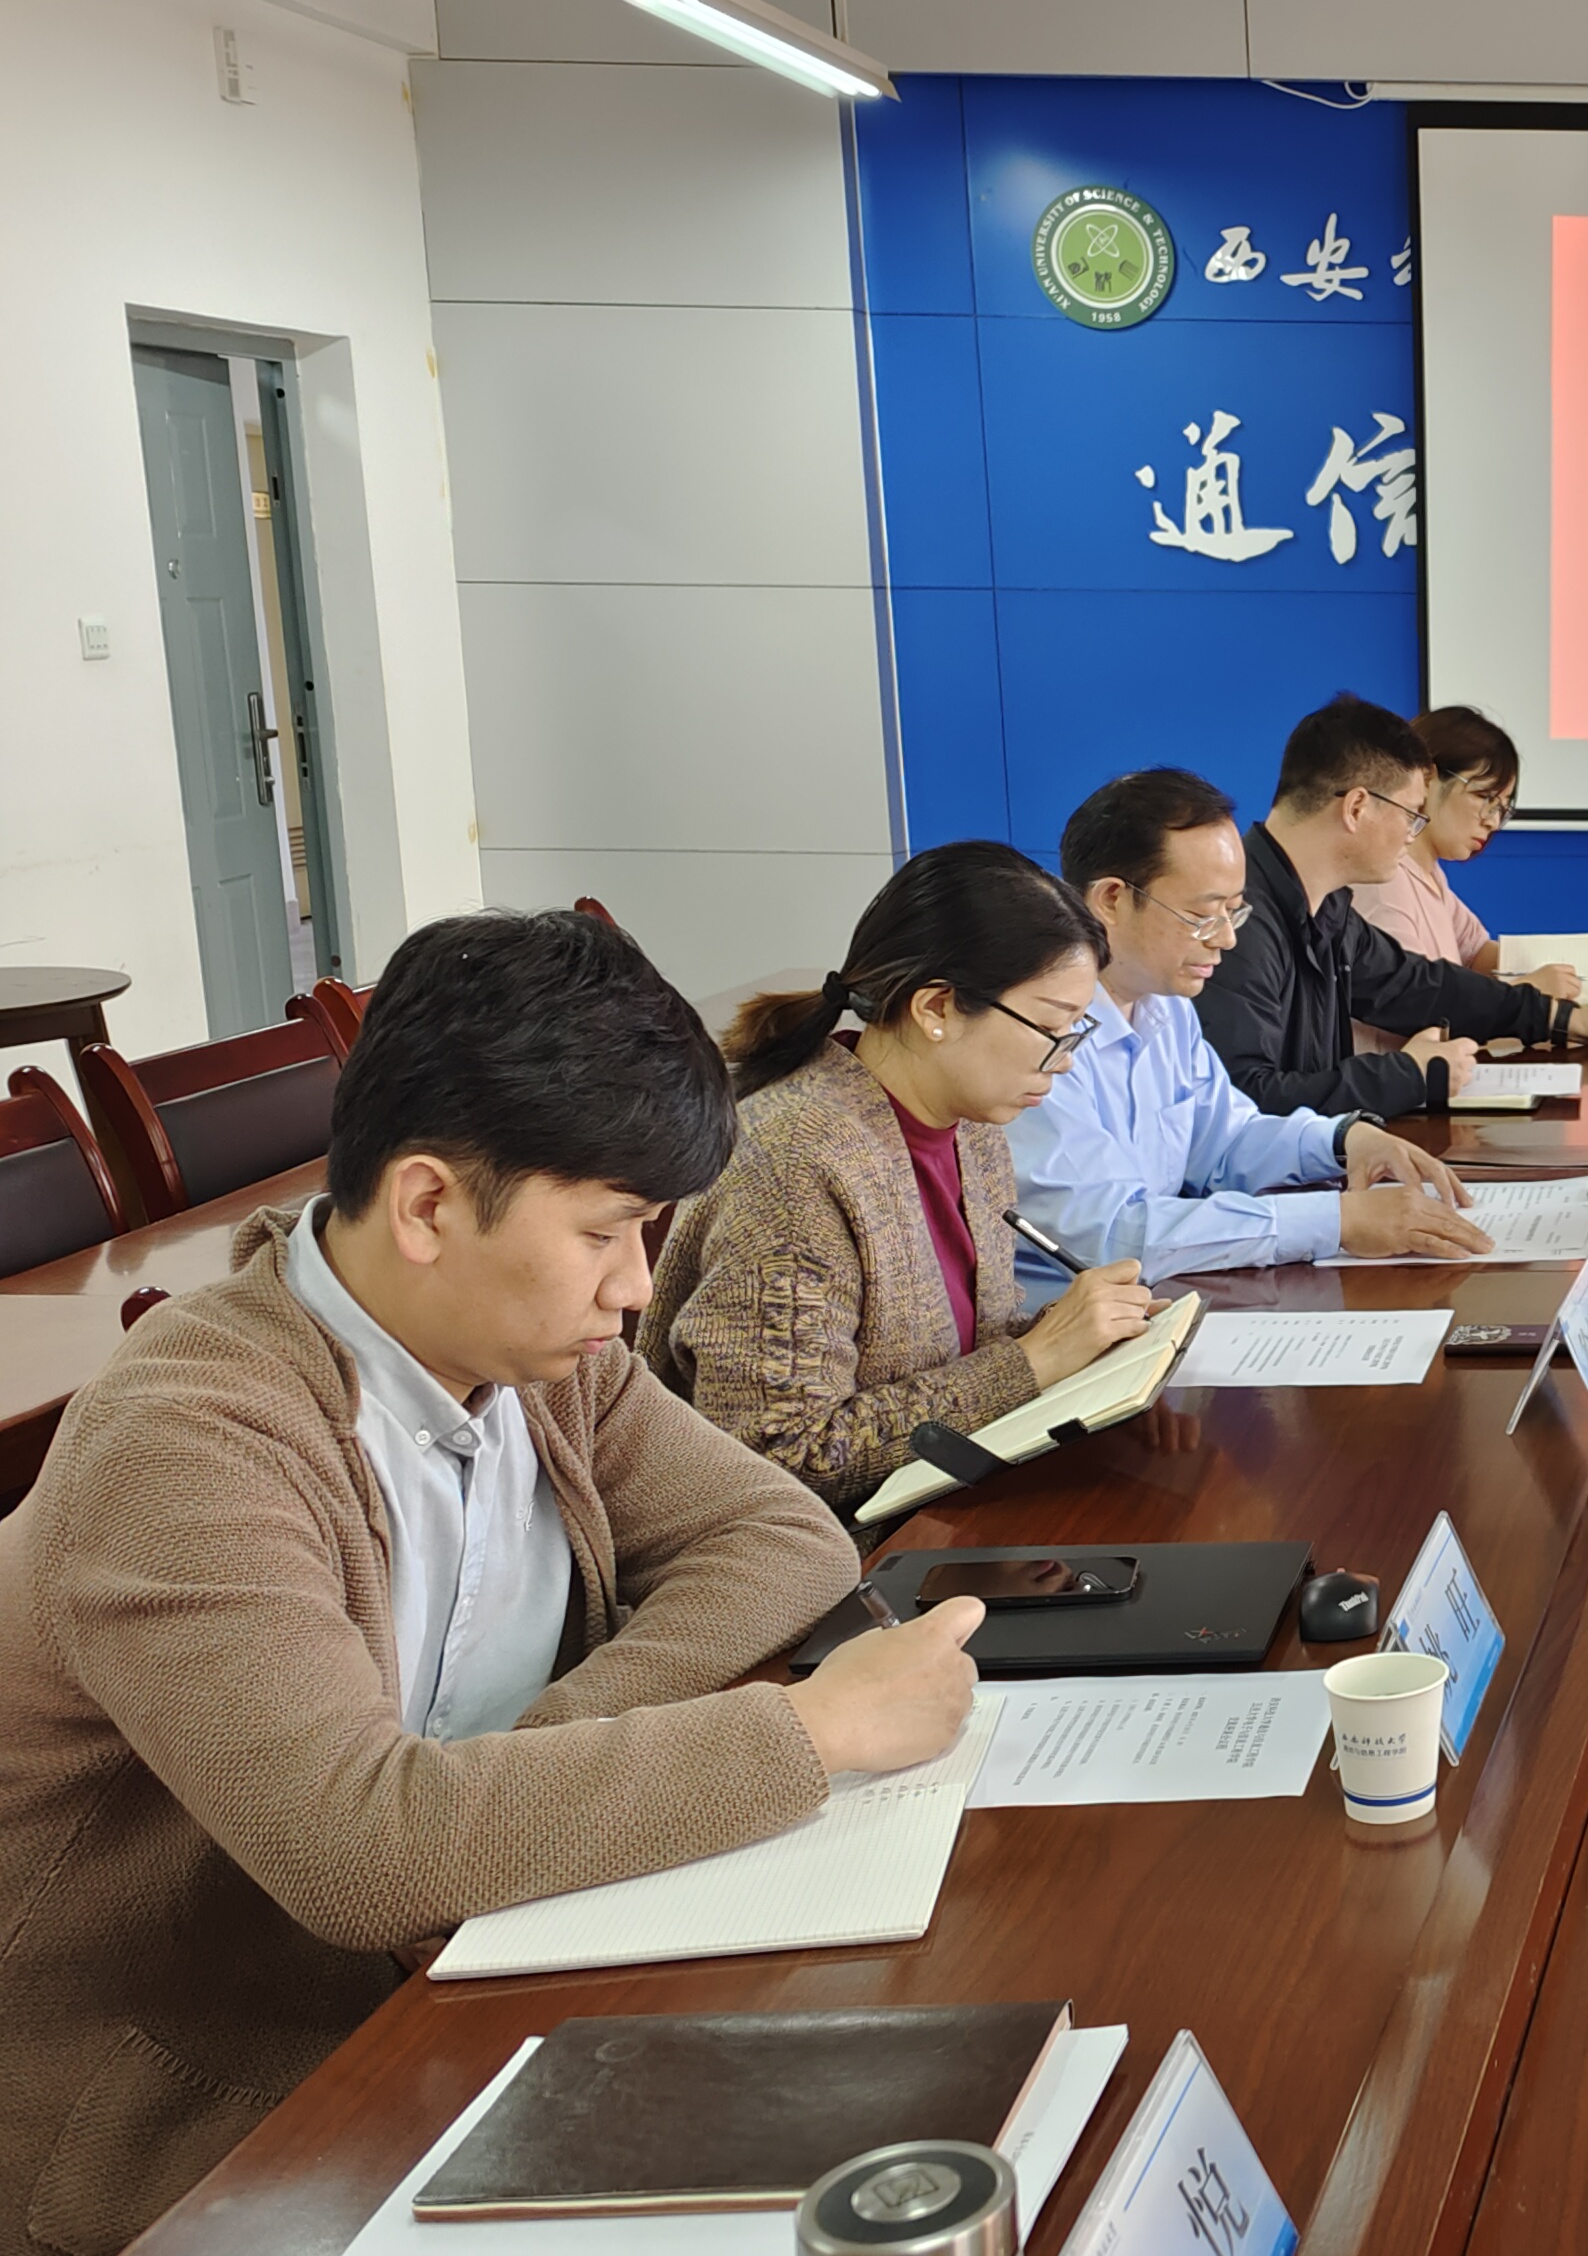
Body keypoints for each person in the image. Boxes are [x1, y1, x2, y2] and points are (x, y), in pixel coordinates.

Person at [0, 910, 988, 2249]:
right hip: (190, 2105)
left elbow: (781, 1538)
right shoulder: (188, 1441)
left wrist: (538, 1756)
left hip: (458, 1972)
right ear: (427, 1206)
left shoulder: (537, 1359)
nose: (635, 1288)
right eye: (606, 1232)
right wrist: (809, 1732)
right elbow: (362, 1856)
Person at [645, 842, 1164, 1511]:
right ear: (936, 1009)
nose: (1064, 1061)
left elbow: (962, 1351)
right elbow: (785, 1455)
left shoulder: (973, 1128)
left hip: (946, 1505)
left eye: (1075, 1030)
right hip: (840, 1549)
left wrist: (1084, 1337)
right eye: (1049, 1027)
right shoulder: (794, 1163)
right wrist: (1035, 1360)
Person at [1012, 767, 1487, 1289]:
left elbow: (1227, 1139)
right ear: (1111, 900)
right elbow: (1114, 1237)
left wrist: (1342, 1139)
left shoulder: (1165, 1007)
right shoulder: (1039, 1037)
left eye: (1233, 913)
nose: (1226, 940)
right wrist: (1336, 1221)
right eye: (1202, 915)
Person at [1207, 695, 1588, 1122]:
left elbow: (1417, 986)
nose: (1413, 834)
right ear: (1357, 808)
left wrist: (1569, 1020)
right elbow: (1246, 1102)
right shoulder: (1237, 922)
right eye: (1411, 815)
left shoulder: (1326, 906)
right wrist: (1409, 1075)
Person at [1347, 704, 1584, 1013]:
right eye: (1484, 797)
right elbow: (1413, 1009)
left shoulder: (1429, 874)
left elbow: (1478, 954)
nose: (1492, 822)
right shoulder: (1386, 882)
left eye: (1502, 808)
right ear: (1426, 779)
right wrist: (1525, 993)